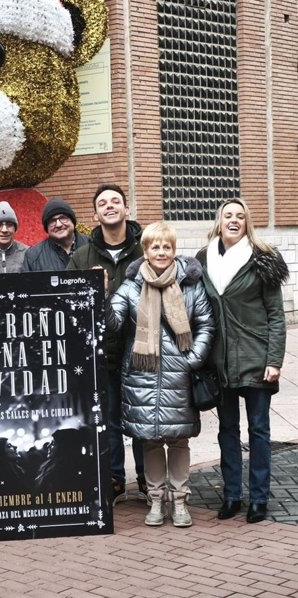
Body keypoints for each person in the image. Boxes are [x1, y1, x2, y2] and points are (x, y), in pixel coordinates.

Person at [107, 222, 215, 527]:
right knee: (150, 441)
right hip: (142, 376)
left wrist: (192, 359)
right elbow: (113, 325)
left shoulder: (191, 285)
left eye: (166, 246)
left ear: (174, 249)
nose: (161, 252)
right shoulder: (129, 288)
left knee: (179, 441)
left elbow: (207, 324)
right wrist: (101, 296)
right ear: (145, 251)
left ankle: (180, 501)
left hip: (179, 376)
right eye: (155, 246)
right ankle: (155, 500)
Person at [196, 198, 288, 524]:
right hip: (219, 361)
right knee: (227, 430)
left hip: (256, 357)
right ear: (219, 221)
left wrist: (274, 359)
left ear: (247, 222)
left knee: (259, 430)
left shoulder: (262, 260)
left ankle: (259, 499)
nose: (233, 220)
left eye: (240, 216)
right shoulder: (203, 259)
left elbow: (276, 315)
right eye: (228, 215)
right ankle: (232, 495)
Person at [68, 184, 146, 503]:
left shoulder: (146, 249)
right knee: (111, 419)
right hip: (101, 352)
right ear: (95, 214)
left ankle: (146, 479)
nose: (110, 206)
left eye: (116, 201)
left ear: (127, 209)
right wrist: (92, 292)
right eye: (103, 203)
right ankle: (115, 478)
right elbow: (68, 303)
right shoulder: (83, 256)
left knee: (141, 417)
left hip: (141, 351)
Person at [22, 197, 88, 271]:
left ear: (72, 220)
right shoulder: (33, 256)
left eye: (63, 218)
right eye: (52, 221)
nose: (58, 225)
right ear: (47, 227)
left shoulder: (94, 246)